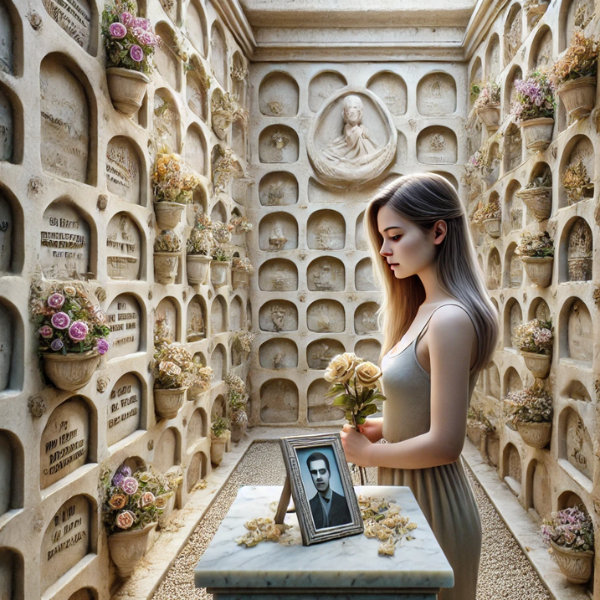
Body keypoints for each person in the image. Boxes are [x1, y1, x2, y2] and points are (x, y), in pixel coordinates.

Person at [340, 173, 499, 600]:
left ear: (438, 231)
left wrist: (371, 454)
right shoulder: (422, 308)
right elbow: (420, 406)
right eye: (381, 237)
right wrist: (381, 425)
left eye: (394, 235)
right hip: (402, 495)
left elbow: (447, 442)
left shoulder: (449, 318)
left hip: (434, 507)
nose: (383, 250)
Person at [306, 451, 352, 529]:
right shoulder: (308, 507)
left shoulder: (346, 503)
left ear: (329, 473)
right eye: (314, 472)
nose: (318, 477)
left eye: (322, 471)